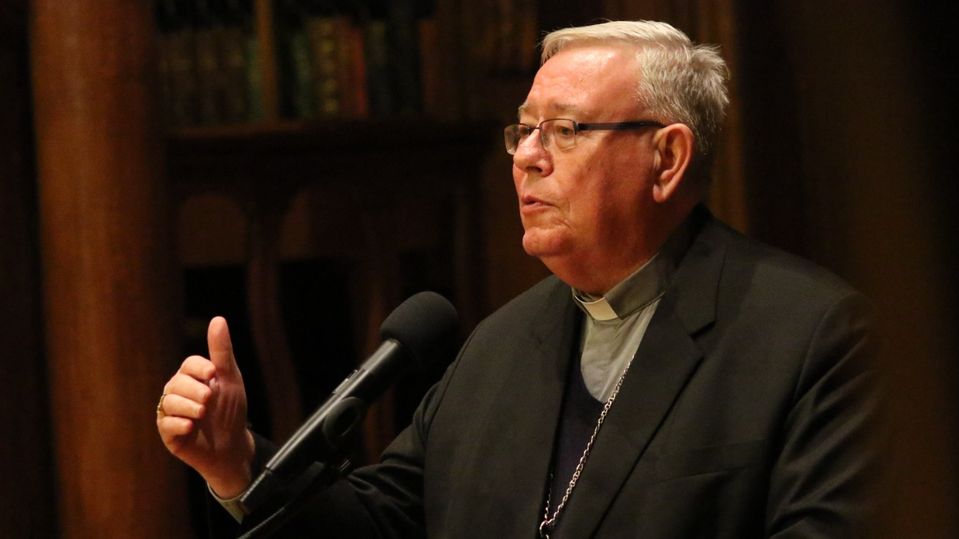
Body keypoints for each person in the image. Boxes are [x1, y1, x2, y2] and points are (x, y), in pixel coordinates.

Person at [157, 20, 880, 537]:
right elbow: (382, 522)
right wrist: (237, 462)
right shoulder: (497, 346)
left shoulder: (808, 339)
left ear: (666, 159)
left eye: (564, 130)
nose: (527, 157)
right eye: (523, 130)